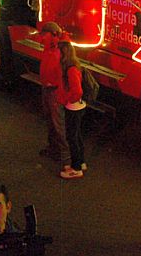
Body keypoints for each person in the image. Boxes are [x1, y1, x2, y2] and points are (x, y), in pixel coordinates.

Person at [37, 22, 71, 171]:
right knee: (50, 121)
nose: (42, 38)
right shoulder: (49, 47)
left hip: (55, 91)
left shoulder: (62, 49)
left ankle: (66, 161)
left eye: (45, 35)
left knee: (59, 126)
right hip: (47, 88)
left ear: (54, 35)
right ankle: (53, 149)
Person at [55, 40, 86, 179]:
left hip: (73, 107)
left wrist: (66, 99)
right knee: (77, 136)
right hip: (78, 106)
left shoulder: (70, 69)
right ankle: (81, 161)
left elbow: (77, 91)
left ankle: (76, 168)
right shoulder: (74, 67)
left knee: (72, 137)